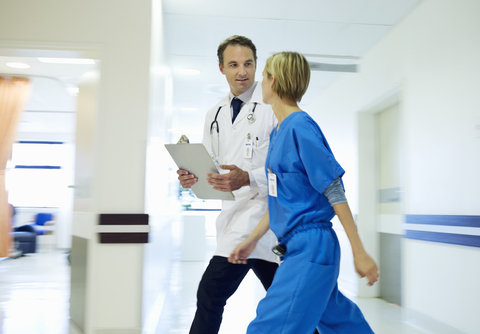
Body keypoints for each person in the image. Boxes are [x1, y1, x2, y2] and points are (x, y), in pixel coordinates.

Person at [228, 52, 380, 333]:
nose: (260, 81)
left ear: (273, 82)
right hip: (298, 244)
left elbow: (333, 188)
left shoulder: (300, 126)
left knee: (271, 324)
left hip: (312, 245)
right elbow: (280, 202)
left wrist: (359, 251)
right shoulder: (279, 132)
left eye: (263, 76)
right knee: (339, 320)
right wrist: (251, 240)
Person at [177, 35, 279, 334]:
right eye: (233, 64)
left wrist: (248, 176)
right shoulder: (215, 115)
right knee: (284, 300)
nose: (242, 71)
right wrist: (192, 178)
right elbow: (212, 166)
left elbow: (288, 168)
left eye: (248, 63)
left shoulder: (274, 107)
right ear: (221, 68)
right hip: (232, 218)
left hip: (266, 218)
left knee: (210, 294)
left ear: (257, 66)